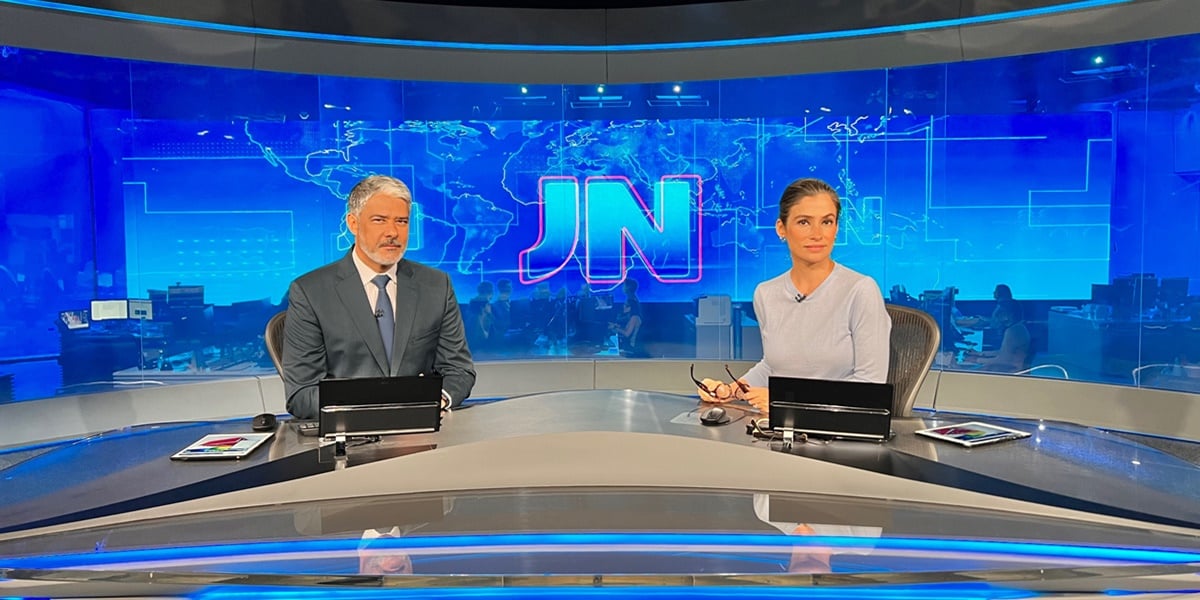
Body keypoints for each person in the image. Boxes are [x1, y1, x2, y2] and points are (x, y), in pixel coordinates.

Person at [282, 175, 476, 419]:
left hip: (422, 434)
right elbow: (301, 393)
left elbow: (458, 370)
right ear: (353, 223)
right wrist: (385, 408)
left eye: (402, 221)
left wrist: (436, 401)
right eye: (379, 220)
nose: (392, 232)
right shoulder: (310, 292)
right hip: (349, 438)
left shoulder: (436, 285)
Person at [697, 178, 891, 412]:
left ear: (836, 228)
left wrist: (786, 401)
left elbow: (870, 387)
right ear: (781, 229)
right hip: (780, 429)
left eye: (827, 222)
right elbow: (772, 367)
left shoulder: (861, 290)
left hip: (839, 433)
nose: (817, 234)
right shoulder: (766, 294)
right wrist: (731, 390)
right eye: (804, 222)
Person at [962, 301, 1031, 373]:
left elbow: (1003, 360)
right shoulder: (1018, 327)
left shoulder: (1013, 331)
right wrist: (979, 354)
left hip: (1011, 371)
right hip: (1011, 367)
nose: (995, 317)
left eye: (999, 313)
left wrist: (977, 360)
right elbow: (1003, 352)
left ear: (1006, 316)